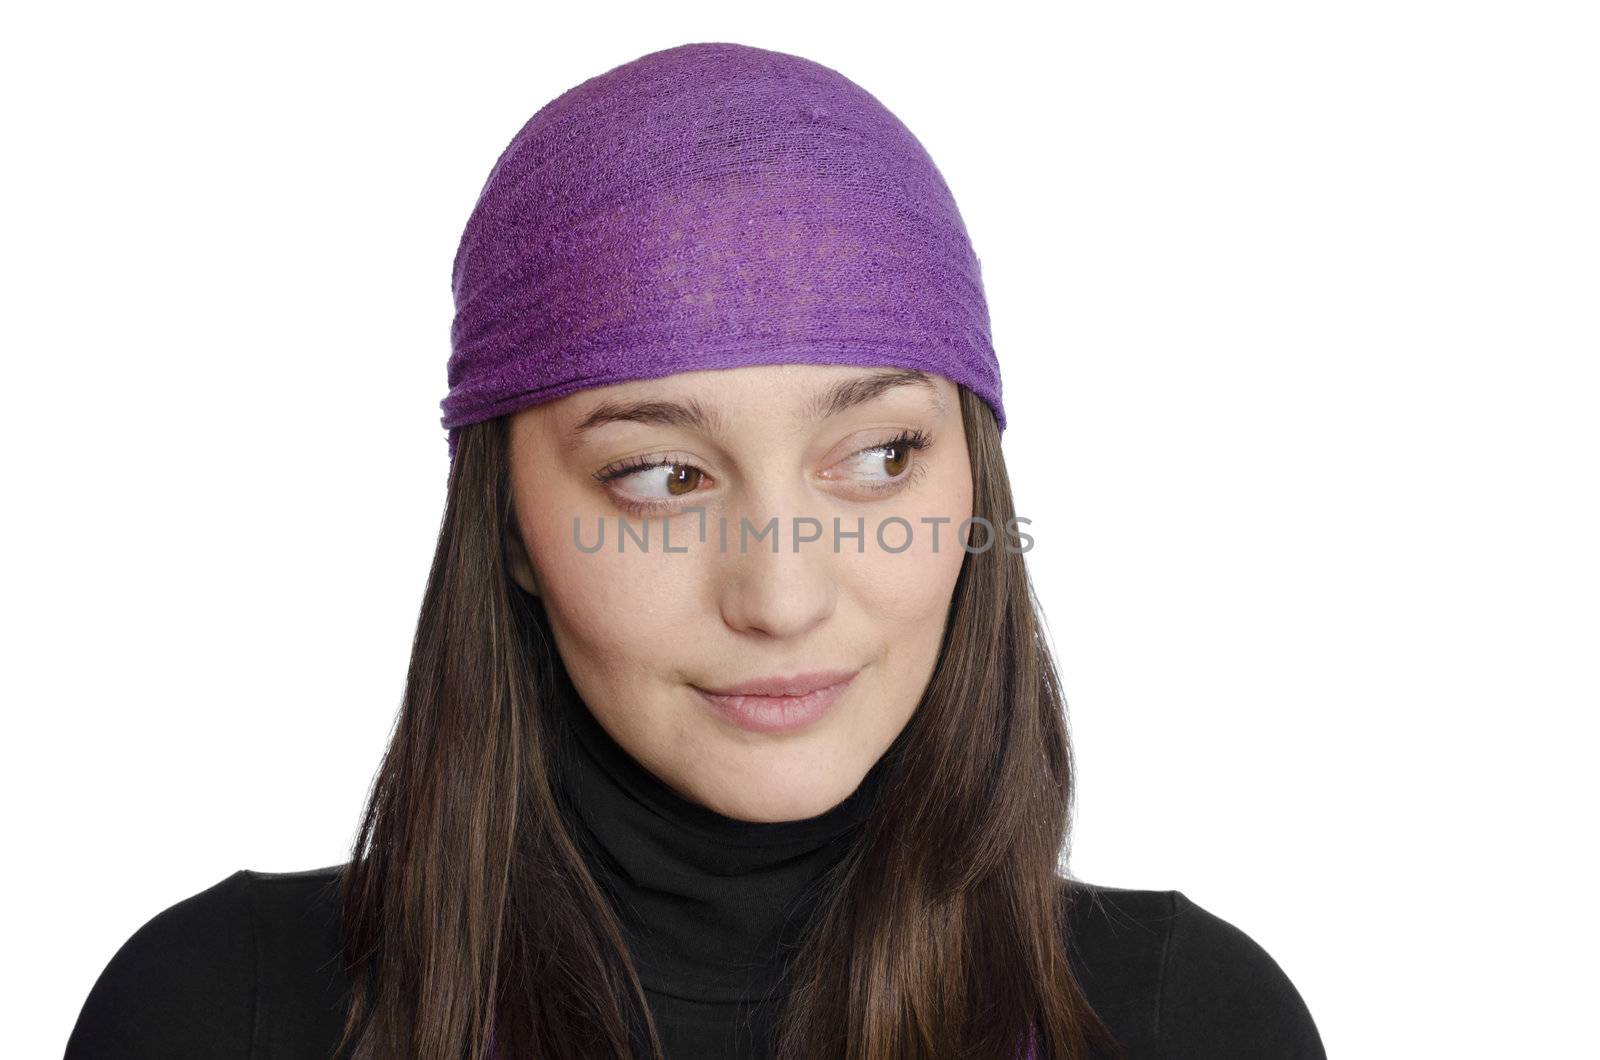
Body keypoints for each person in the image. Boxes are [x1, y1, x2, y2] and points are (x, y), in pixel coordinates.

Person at [65, 42, 1325, 1060]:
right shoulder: (218, 1012)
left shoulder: (1187, 1023)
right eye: (661, 476)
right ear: (505, 519)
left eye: (879, 455)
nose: (780, 594)